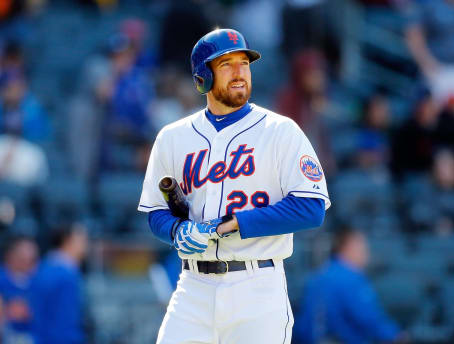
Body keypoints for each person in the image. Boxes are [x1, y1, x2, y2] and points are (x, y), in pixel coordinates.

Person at [138, 28, 331, 343]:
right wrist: (176, 231)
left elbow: (311, 208)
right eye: (227, 64)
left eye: (245, 63)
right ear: (203, 77)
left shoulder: (281, 131)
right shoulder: (173, 138)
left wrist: (232, 223)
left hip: (256, 287)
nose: (240, 72)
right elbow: (156, 211)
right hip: (192, 287)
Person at [295, 227, 405, 344]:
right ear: (349, 247)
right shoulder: (350, 278)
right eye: (362, 248)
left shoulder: (317, 276)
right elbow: (367, 317)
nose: (367, 254)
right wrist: (397, 336)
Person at [405, 0, 454, 134]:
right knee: (434, 119)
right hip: (438, 69)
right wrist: (426, 63)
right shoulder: (430, 6)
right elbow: (414, 34)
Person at [30, 224, 88, 344]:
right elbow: (65, 322)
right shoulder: (64, 275)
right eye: (82, 240)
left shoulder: (44, 268)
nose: (86, 245)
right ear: (67, 240)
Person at [0, 235, 38, 343]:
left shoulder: (39, 280)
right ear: (11, 255)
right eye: (23, 256)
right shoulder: (2, 278)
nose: (27, 260)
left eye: (32, 258)